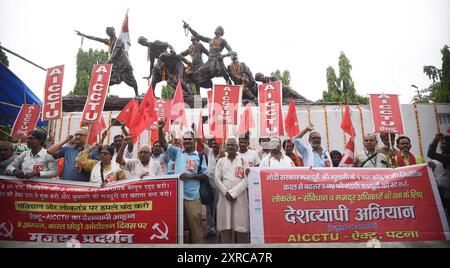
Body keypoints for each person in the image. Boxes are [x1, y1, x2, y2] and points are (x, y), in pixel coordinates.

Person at [158, 119, 208, 243]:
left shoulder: (200, 156)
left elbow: (204, 175)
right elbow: (164, 144)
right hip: (177, 197)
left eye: (189, 139)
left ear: (194, 141)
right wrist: (160, 130)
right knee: (179, 227)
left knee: (195, 227)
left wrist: (190, 176)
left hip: (193, 197)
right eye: (184, 139)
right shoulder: (177, 153)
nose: (186, 141)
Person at [75, 27, 139, 96]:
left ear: (114, 31)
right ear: (107, 34)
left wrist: (107, 63)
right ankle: (102, 96)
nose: (111, 32)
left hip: (124, 65)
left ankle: (137, 94)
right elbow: (96, 38)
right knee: (107, 82)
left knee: (131, 81)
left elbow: (115, 53)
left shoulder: (119, 41)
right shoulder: (109, 42)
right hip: (116, 66)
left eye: (112, 30)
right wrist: (83, 35)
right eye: (109, 31)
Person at [214, 137, 250, 243]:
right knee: (226, 226)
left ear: (237, 147)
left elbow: (247, 179)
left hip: (239, 198)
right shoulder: (221, 161)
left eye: (233, 145)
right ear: (225, 147)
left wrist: (233, 194)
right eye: (228, 145)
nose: (230, 147)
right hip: (225, 197)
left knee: (241, 225)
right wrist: (226, 193)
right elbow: (217, 179)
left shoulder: (243, 160)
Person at [183, 21, 234, 88]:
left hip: (218, 60)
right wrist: (189, 27)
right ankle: (200, 92)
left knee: (225, 75)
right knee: (197, 73)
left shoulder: (223, 41)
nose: (216, 29)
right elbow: (198, 35)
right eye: (216, 28)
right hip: (210, 61)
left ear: (221, 32)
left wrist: (224, 56)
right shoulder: (210, 40)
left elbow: (231, 51)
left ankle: (232, 89)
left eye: (218, 29)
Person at [427, 133, 450, 211]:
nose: (444, 145)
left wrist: (436, 140)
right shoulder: (436, 160)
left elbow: (430, 153)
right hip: (441, 193)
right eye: (443, 143)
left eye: (447, 144)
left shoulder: (446, 157)